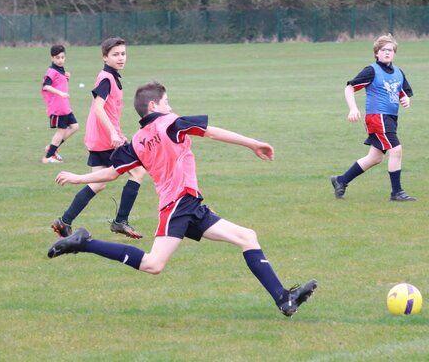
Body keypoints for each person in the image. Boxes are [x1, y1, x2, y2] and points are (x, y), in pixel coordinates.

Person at [48, 81, 317, 317]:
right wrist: (253, 143)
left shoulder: (139, 140)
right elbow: (211, 131)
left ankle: (284, 298)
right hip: (177, 206)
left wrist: (78, 177)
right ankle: (85, 243)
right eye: (166, 101)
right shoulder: (171, 123)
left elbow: (111, 173)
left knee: (247, 236)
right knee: (153, 264)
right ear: (154, 105)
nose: (170, 105)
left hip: (190, 204)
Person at [51, 37, 145, 239]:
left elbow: (108, 110)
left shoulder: (112, 77)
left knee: (98, 183)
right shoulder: (106, 79)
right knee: (137, 172)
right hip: (106, 138)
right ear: (105, 57)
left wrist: (116, 130)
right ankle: (120, 222)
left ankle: (64, 222)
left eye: (123, 54)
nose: (121, 58)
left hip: (99, 137)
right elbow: (99, 107)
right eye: (115, 54)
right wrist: (113, 132)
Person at [330, 34, 416, 202]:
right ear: (376, 53)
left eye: (390, 50)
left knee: (375, 158)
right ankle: (396, 192)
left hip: (390, 118)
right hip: (377, 117)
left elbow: (403, 93)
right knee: (396, 150)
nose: (387, 53)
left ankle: (341, 180)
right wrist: (353, 108)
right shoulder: (371, 71)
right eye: (383, 50)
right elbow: (349, 88)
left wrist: (406, 99)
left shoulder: (399, 72)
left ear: (394, 53)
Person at [41, 44, 79, 163]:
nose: (60, 60)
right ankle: (48, 156)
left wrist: (67, 77)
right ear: (52, 58)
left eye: (62, 57)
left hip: (65, 107)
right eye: (57, 57)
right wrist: (60, 93)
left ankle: (52, 148)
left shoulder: (60, 70)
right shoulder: (52, 71)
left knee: (74, 127)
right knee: (61, 130)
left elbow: (59, 82)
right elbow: (46, 86)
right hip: (57, 107)